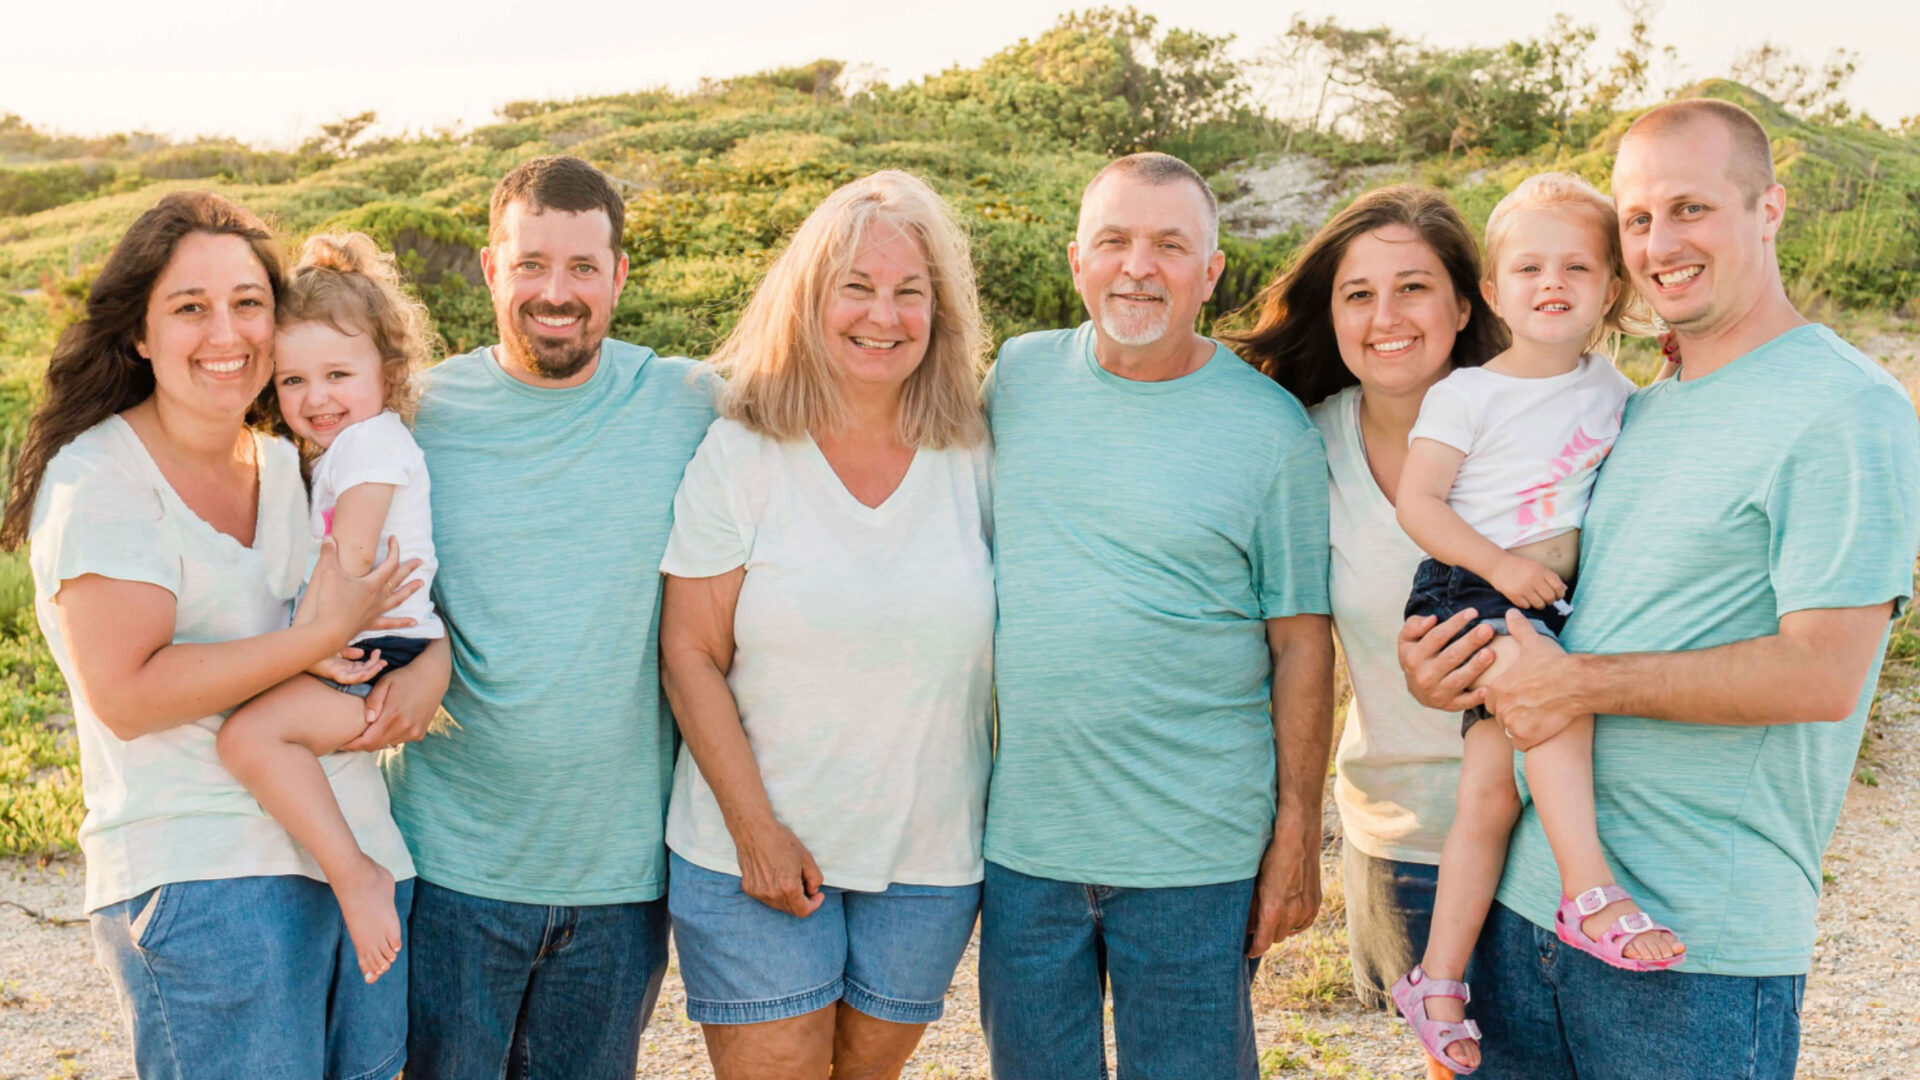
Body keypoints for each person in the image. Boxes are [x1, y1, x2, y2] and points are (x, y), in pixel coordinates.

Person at [1400, 98, 1920, 1079]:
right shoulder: (1635, 405)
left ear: (1768, 209)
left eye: (1690, 208)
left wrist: (1577, 685)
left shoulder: (1845, 411)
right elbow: (1558, 601)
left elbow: (1823, 676)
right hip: (1522, 918)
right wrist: (1453, 670)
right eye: (1637, 219)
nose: (1659, 243)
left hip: (1692, 952)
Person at [1, 191, 422, 1079]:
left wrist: (433, 669)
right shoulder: (101, 479)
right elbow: (127, 695)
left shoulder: (291, 459)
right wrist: (315, 641)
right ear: (141, 333)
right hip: (205, 877)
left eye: (248, 303)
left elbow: (386, 594)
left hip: (361, 856)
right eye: (190, 307)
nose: (225, 332)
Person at [979, 151, 1334, 1079]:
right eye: (1115, 241)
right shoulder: (1014, 380)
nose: (1138, 266)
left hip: (1196, 857)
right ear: (1076, 261)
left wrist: (1297, 829)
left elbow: (1301, 643)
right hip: (1028, 849)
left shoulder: (1271, 432)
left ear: (1210, 272)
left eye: (1170, 245)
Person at [382, 155, 718, 1079]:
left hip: (620, 881)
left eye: (581, 267)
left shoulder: (689, 402)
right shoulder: (418, 416)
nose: (555, 293)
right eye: (531, 264)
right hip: (449, 869)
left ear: (618, 276)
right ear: (491, 270)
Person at [658, 169, 994, 1079]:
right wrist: (755, 833)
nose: (882, 315)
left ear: (940, 311)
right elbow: (689, 654)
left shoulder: (977, 454)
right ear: (809, 299)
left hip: (927, 858)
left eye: (909, 292)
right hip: (750, 856)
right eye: (856, 286)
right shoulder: (743, 454)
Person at [1389, 173, 1665, 1075]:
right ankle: (1587, 890)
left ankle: (1435, 981)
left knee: (1488, 798)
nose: (1554, 282)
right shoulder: (1470, 394)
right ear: (1496, 293)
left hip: (1540, 604)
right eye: (1530, 266)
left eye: (1578, 266)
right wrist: (1502, 566)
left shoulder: (1612, 389)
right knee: (1557, 705)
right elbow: (1418, 503)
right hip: (1467, 586)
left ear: (1610, 291)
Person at [1229, 184, 1505, 1080]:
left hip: (1555, 829)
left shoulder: (1539, 424)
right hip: (1405, 831)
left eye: (1414, 288)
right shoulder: (1299, 448)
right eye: (1359, 294)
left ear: (1465, 305)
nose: (1386, 317)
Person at [215, 231, 444, 985]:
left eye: (338, 374)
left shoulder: (372, 448)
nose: (315, 399)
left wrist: (307, 643)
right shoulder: (342, 448)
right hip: (363, 637)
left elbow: (351, 559)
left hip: (374, 648)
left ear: (389, 370)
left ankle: (355, 875)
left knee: (250, 739)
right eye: (292, 381)